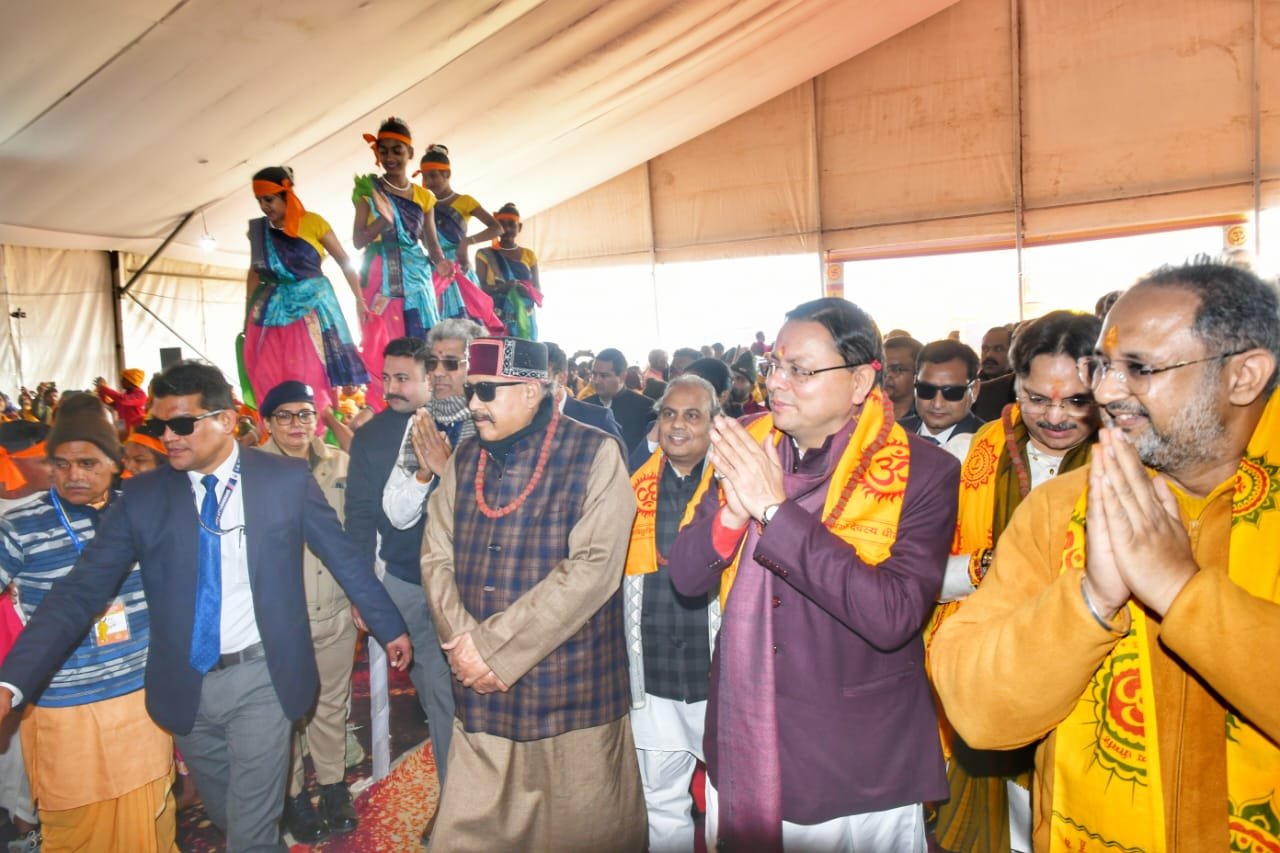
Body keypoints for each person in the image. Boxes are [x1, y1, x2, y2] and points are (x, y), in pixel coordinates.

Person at [930, 258, 1280, 851]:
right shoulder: (1063, 507)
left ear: (1244, 376)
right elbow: (978, 709)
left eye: (1140, 368)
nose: (1107, 392)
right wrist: (1091, 601)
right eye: (1104, 366)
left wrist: (1182, 592)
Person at [0, 362, 412, 852]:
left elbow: (340, 553)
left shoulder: (283, 480)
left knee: (250, 831)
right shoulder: (143, 495)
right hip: (186, 685)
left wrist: (388, 624)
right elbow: (79, 591)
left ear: (226, 420)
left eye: (181, 423)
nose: (167, 437)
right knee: (227, 815)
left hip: (263, 676)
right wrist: (11, 683)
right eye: (159, 425)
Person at [668, 298, 959, 851]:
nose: (776, 383)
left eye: (799, 371)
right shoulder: (746, 446)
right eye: (774, 365)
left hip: (857, 756)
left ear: (859, 382)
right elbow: (685, 576)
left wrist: (775, 511)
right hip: (745, 730)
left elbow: (892, 615)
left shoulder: (923, 470)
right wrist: (733, 514)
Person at [421, 336, 646, 850]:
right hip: (479, 688)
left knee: (581, 834)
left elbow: (594, 569)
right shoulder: (465, 457)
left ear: (530, 391)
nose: (473, 403)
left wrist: (491, 648)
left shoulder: (595, 452)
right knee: (469, 833)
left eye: (486, 390)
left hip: (570, 691)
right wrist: (464, 644)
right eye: (471, 390)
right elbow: (435, 554)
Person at [925, 310, 1101, 853]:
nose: (1056, 417)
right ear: (1014, 385)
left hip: (1090, 679)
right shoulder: (969, 455)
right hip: (988, 670)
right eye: (1038, 398)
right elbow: (921, 577)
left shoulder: (1129, 462)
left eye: (1077, 400)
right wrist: (989, 568)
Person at [0, 395, 175, 852]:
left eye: (87, 463)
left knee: (151, 821)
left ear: (116, 463)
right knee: (77, 833)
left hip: (141, 697)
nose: (73, 475)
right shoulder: (21, 525)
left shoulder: (142, 510)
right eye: (61, 464)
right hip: (63, 707)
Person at [344, 337, 458, 830]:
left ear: (432, 378)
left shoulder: (465, 424)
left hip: (466, 585)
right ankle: (455, 804)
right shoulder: (372, 437)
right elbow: (359, 517)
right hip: (407, 584)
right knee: (438, 695)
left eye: (403, 379)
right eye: (386, 378)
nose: (391, 388)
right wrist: (362, 592)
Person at [258, 382, 360, 842]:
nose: (296, 424)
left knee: (332, 703)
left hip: (335, 609)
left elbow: (357, 534)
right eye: (284, 415)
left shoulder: (340, 464)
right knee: (287, 712)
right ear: (267, 422)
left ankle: (334, 786)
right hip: (281, 616)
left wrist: (359, 597)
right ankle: (294, 796)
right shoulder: (251, 470)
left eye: (304, 414)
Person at [624, 375, 720, 851]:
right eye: (668, 414)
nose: (677, 425)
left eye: (692, 415)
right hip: (653, 673)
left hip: (718, 675)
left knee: (731, 803)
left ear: (714, 425)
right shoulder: (630, 487)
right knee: (660, 802)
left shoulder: (735, 485)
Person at [242, 167, 369, 420]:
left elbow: (344, 261)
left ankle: (317, 429)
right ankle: (273, 430)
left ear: (286, 194)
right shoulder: (259, 232)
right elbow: (255, 271)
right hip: (271, 311)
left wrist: (359, 299)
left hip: (309, 311)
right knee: (267, 375)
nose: (264, 207)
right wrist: (247, 313)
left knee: (309, 376)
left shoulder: (313, 222)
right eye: (259, 201)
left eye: (269, 199)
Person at [352, 118, 452, 408]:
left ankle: (423, 403)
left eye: (397, 150)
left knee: (421, 341)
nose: (390, 157)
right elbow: (358, 240)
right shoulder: (368, 190)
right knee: (383, 342)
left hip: (417, 278)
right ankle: (386, 404)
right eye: (383, 151)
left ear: (410, 153)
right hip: (380, 274)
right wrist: (382, 222)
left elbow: (431, 243)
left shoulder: (424, 197)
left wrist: (441, 262)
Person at [417, 145, 504, 327]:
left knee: (467, 324)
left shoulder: (465, 201)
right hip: (434, 267)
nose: (428, 182)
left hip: (459, 266)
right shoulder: (423, 204)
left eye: (433, 175)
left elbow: (497, 228)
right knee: (437, 324)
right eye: (425, 177)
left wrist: (467, 241)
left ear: (447, 174)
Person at [900, 339, 985, 456]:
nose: (937, 404)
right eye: (926, 390)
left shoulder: (991, 444)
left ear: (974, 390)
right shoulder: (891, 434)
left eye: (952, 392)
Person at [473, 202, 543, 339]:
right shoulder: (484, 254)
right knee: (500, 352)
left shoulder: (529, 255)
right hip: (497, 321)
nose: (506, 229)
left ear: (519, 227)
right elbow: (479, 289)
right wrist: (501, 288)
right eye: (502, 224)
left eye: (512, 224)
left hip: (525, 320)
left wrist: (526, 291)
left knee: (525, 352)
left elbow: (538, 290)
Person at [545, 342, 624, 443]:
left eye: (541, 377)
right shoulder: (527, 416)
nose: (531, 387)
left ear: (561, 378)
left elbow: (616, 452)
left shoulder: (598, 418)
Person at [584, 348, 657, 452]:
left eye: (604, 375)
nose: (596, 381)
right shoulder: (584, 406)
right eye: (594, 374)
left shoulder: (646, 408)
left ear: (622, 376)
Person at [975, 325, 1018, 421]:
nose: (989, 355)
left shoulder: (1021, 389)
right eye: (985, 349)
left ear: (1012, 352)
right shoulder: (971, 389)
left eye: (998, 349)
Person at [95, 368, 148, 433]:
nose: (121, 381)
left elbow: (123, 400)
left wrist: (103, 388)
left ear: (130, 381)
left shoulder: (140, 395)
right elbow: (110, 403)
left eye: (123, 379)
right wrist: (101, 391)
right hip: (124, 432)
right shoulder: (126, 394)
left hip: (136, 433)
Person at [883, 335, 923, 421]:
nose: (887, 375)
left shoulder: (926, 419)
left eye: (897, 369)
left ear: (918, 374)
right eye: (882, 368)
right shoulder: (862, 411)